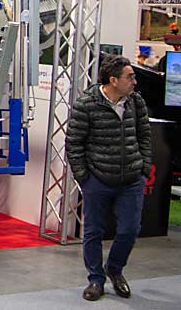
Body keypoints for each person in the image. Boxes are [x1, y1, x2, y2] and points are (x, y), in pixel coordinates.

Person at [66, 55, 153, 302]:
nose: (134, 82)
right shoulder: (87, 104)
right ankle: (96, 279)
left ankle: (114, 269)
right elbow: (74, 143)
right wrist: (85, 178)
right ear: (113, 80)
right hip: (98, 180)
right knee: (93, 232)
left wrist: (144, 168)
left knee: (129, 230)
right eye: (130, 77)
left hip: (132, 180)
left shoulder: (136, 102)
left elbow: (145, 136)